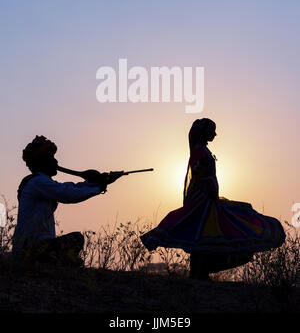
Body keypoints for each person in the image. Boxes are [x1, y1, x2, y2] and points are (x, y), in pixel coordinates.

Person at [140, 118, 286, 280]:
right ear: (204, 132)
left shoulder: (202, 150)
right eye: (212, 131)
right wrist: (210, 192)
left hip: (207, 199)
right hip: (203, 200)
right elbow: (200, 176)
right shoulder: (199, 151)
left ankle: (200, 272)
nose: (215, 134)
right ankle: (198, 273)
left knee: (205, 234)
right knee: (204, 233)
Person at [12, 135, 109, 267]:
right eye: (51, 158)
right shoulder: (38, 182)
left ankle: (57, 263)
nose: (55, 161)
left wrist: (98, 183)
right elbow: (68, 194)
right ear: (42, 161)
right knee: (76, 239)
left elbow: (70, 187)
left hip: (34, 247)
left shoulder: (42, 182)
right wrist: (99, 187)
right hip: (31, 248)